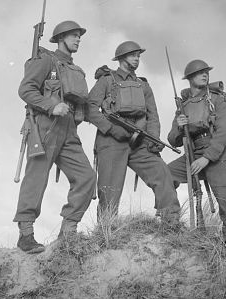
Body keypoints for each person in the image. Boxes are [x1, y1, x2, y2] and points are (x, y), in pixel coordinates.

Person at [13, 21, 96, 254]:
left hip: (69, 129)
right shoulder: (45, 60)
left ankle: (68, 231)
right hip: (47, 125)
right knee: (36, 178)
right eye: (73, 35)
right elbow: (26, 89)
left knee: (86, 177)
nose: (78, 39)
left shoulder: (75, 69)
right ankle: (26, 235)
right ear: (60, 38)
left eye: (79, 36)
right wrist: (51, 106)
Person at [87, 41, 181, 222]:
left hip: (139, 140)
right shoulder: (107, 80)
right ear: (121, 58)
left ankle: (171, 220)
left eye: (138, 56)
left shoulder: (143, 85)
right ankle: (107, 229)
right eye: (133, 55)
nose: (137, 59)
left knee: (161, 173)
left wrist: (154, 138)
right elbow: (90, 108)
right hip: (111, 141)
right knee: (110, 189)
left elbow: (152, 115)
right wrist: (112, 129)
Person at [167, 59, 226, 254]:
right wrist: (179, 126)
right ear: (189, 79)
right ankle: (170, 222)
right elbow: (172, 139)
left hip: (220, 156)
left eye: (206, 72)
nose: (204, 75)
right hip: (194, 153)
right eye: (199, 72)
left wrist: (206, 159)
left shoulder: (218, 99)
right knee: (164, 174)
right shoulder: (183, 106)